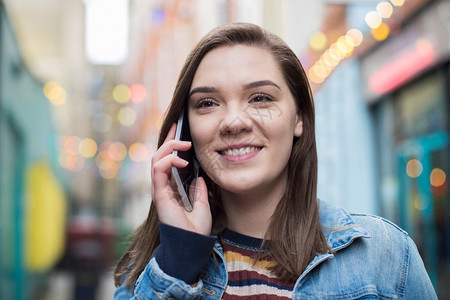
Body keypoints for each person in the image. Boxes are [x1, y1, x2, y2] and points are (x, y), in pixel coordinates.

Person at [114, 23, 437, 299]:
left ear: (298, 119)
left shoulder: (385, 254)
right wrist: (180, 259)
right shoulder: (150, 273)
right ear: (185, 130)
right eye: (208, 103)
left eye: (260, 98)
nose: (233, 122)